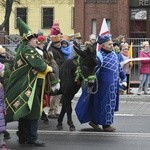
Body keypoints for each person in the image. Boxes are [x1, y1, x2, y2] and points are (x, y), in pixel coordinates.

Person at [5, 17, 53, 147]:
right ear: (28, 40)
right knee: (33, 110)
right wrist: (49, 68)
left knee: (24, 110)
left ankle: (23, 136)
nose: (36, 40)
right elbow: (40, 65)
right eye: (33, 38)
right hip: (28, 86)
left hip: (25, 84)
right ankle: (32, 137)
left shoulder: (22, 49)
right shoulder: (28, 50)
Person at [75, 34, 127, 132]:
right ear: (102, 46)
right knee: (103, 105)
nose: (112, 46)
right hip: (103, 86)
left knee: (110, 105)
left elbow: (119, 68)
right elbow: (93, 70)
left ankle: (95, 122)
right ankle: (106, 125)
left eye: (112, 44)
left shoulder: (114, 55)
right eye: (109, 44)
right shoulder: (99, 57)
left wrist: (124, 79)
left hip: (113, 86)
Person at [0, 62, 10, 150]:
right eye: (2, 71)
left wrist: (4, 108)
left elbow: (3, 99)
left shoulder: (2, 84)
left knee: (1, 130)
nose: (3, 73)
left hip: (1, 111)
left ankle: (2, 144)